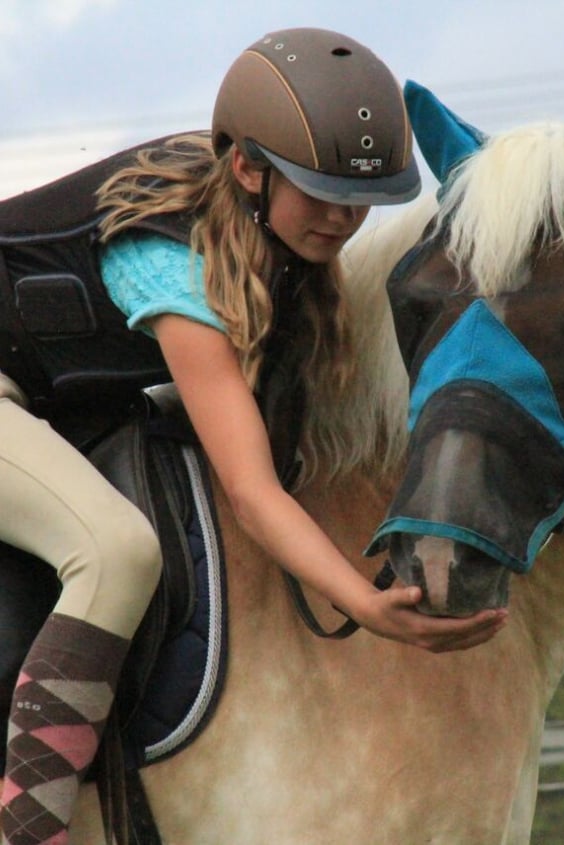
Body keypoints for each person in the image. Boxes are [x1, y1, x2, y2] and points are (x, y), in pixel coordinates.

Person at [0, 28, 507, 844]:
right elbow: (251, 488)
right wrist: (366, 605)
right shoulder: (168, 258)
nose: (345, 218)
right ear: (247, 169)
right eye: (323, 191)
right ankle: (26, 825)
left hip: (43, 393)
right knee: (117, 551)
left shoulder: (271, 236)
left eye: (360, 196)